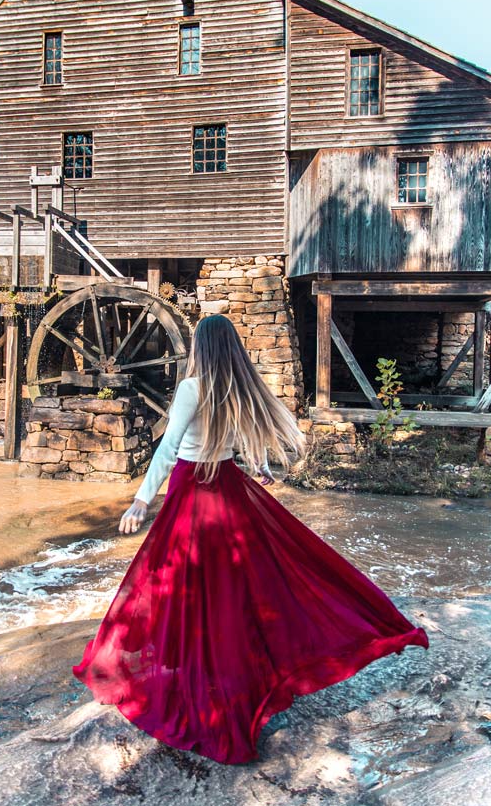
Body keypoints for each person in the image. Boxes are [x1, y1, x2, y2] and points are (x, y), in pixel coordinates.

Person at [72, 314, 429, 764]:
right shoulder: (235, 388)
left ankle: (195, 677)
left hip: (192, 491)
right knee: (240, 584)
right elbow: (241, 440)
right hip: (227, 489)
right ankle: (243, 673)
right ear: (233, 349)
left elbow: (168, 448)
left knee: (176, 585)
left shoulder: (192, 388)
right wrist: (259, 468)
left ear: (200, 348)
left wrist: (142, 500)